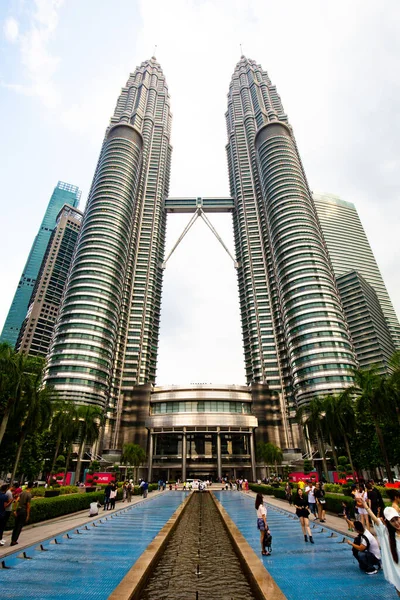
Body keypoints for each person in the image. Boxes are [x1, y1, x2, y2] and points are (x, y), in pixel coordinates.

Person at [361, 500, 400, 593]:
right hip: (397, 568)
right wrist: (366, 507)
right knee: (398, 586)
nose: (396, 523)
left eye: (397, 519)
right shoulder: (387, 534)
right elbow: (376, 520)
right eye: (392, 521)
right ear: (388, 522)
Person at [10, 481, 32, 546]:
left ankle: (12, 539)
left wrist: (14, 510)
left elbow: (16, 501)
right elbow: (28, 506)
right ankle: (14, 541)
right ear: (32, 486)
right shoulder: (29, 494)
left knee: (16, 525)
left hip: (18, 509)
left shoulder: (22, 493)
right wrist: (28, 515)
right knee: (19, 526)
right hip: (23, 511)